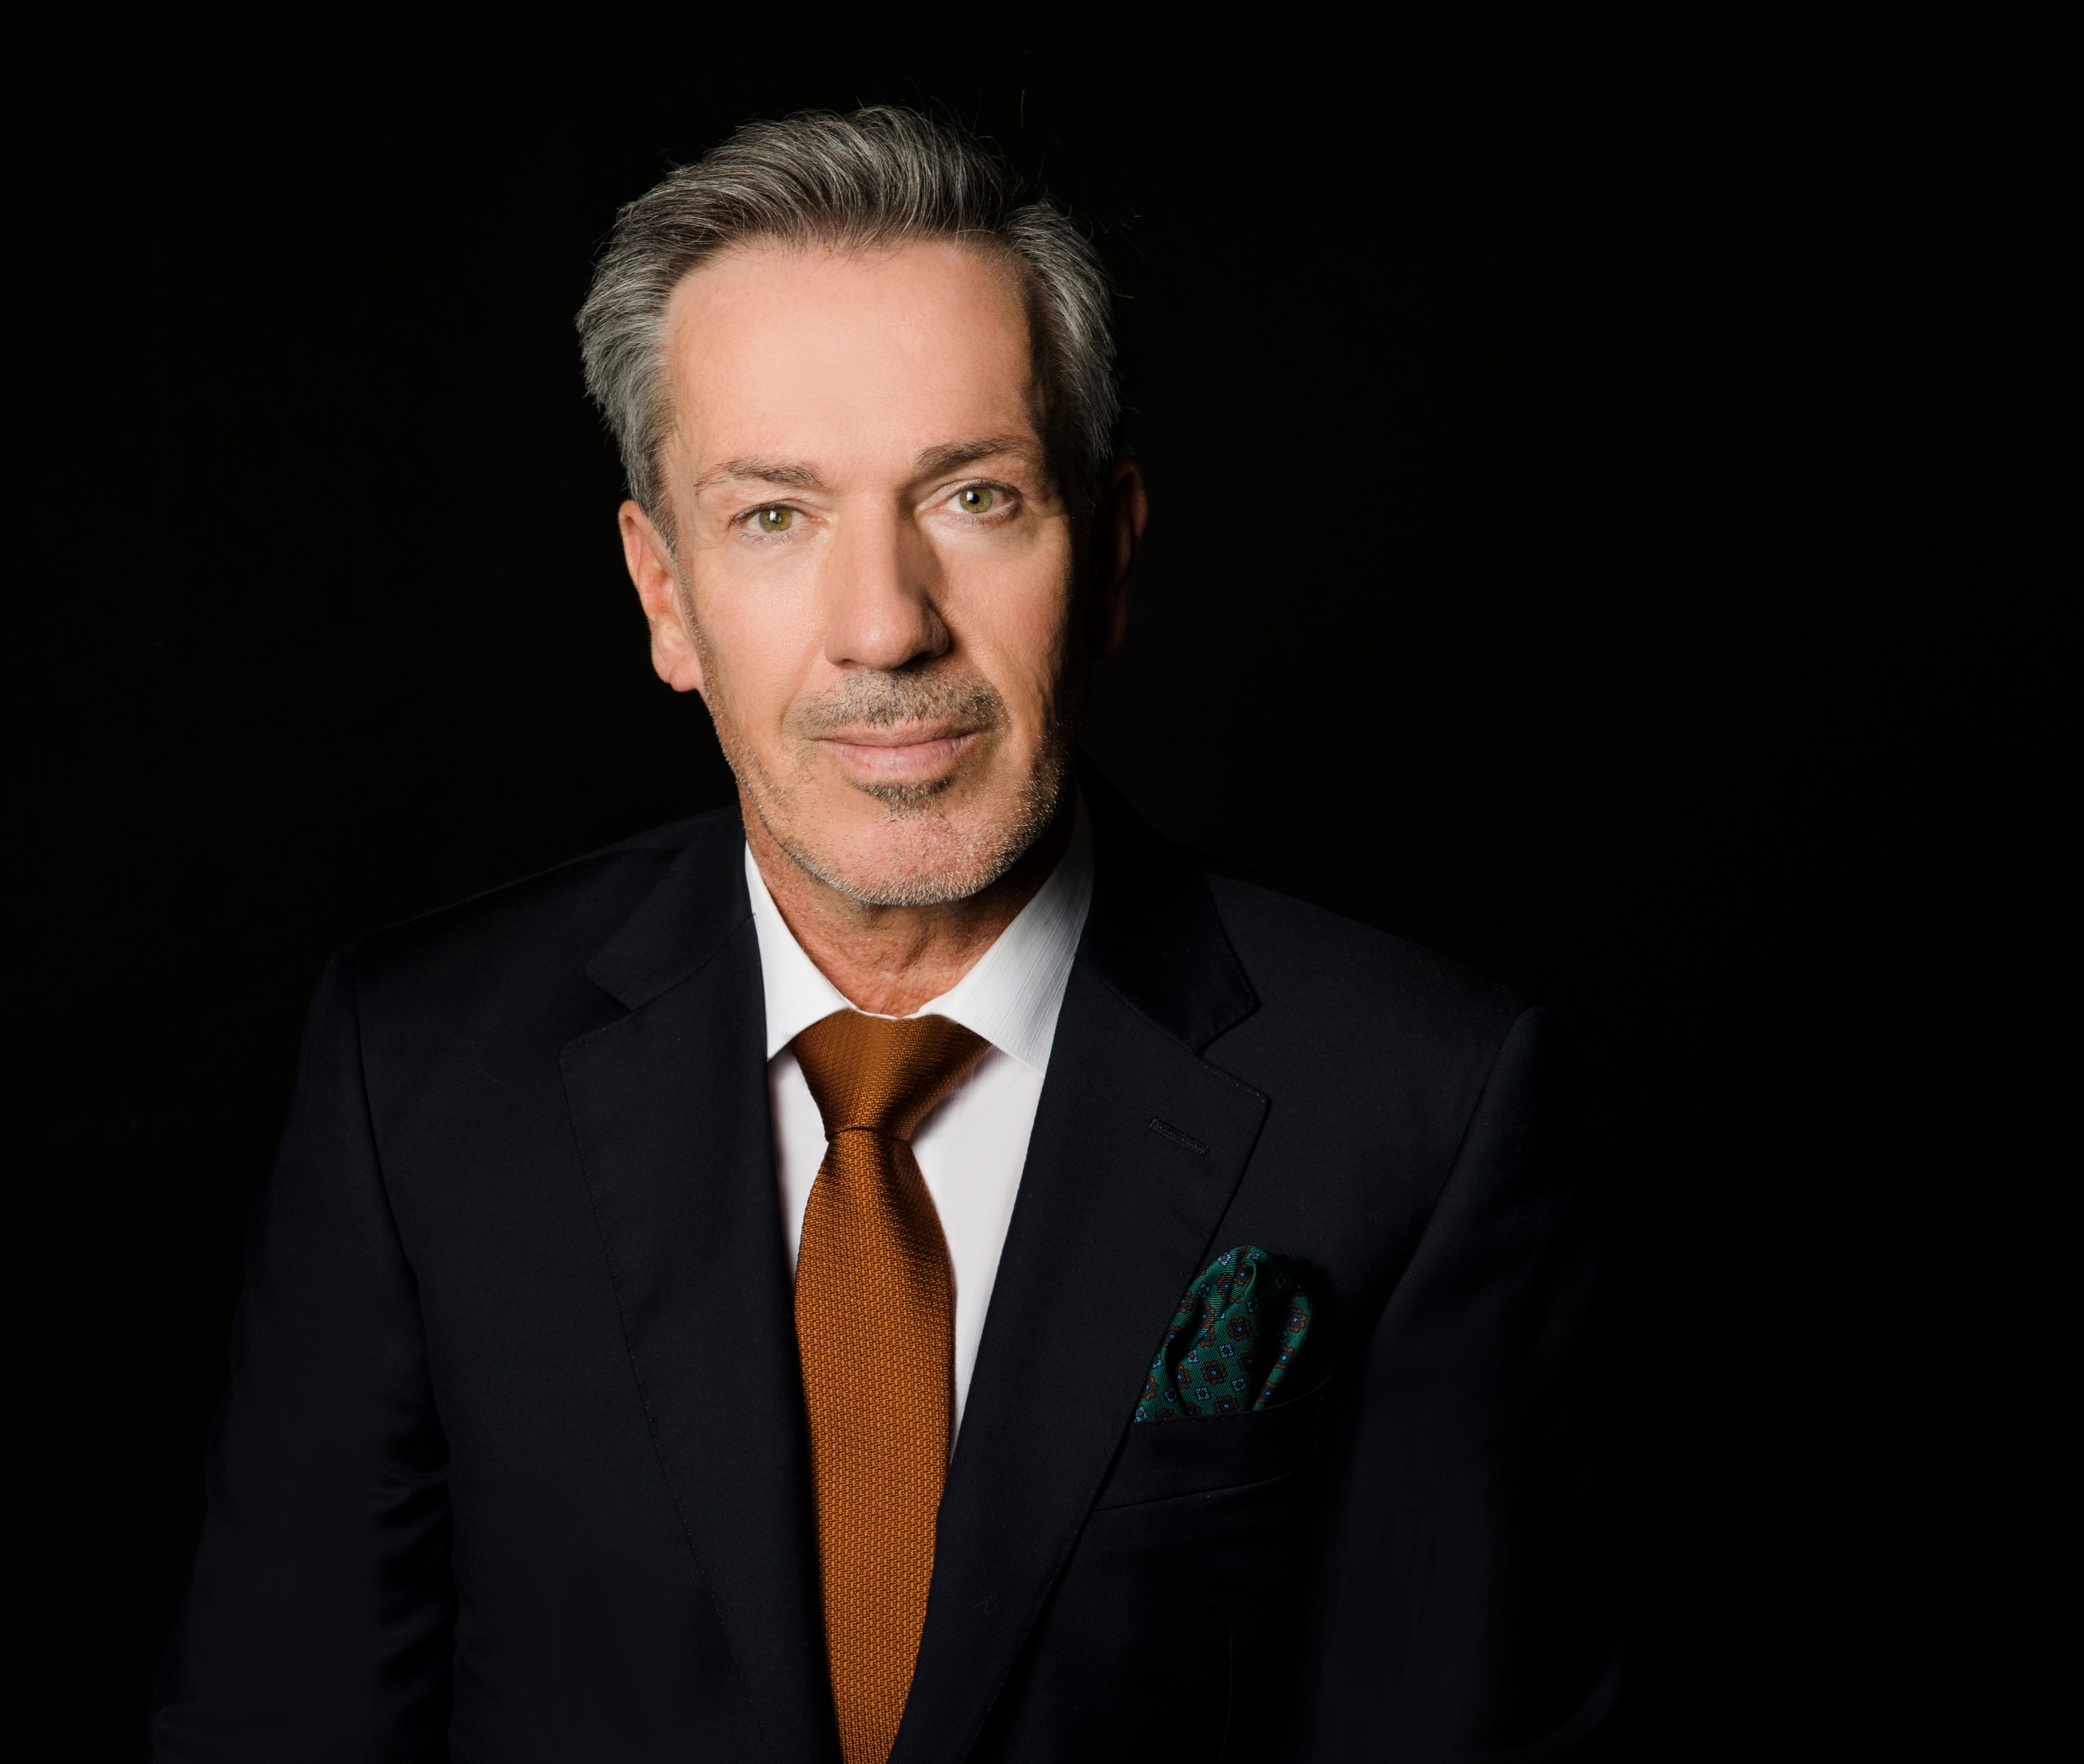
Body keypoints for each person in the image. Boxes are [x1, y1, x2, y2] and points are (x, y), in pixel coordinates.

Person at [153, 106, 1611, 1764]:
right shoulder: (413, 1076)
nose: (885, 625)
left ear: (1111, 554)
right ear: (663, 594)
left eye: (975, 496)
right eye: (776, 514)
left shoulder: (1418, 1103)